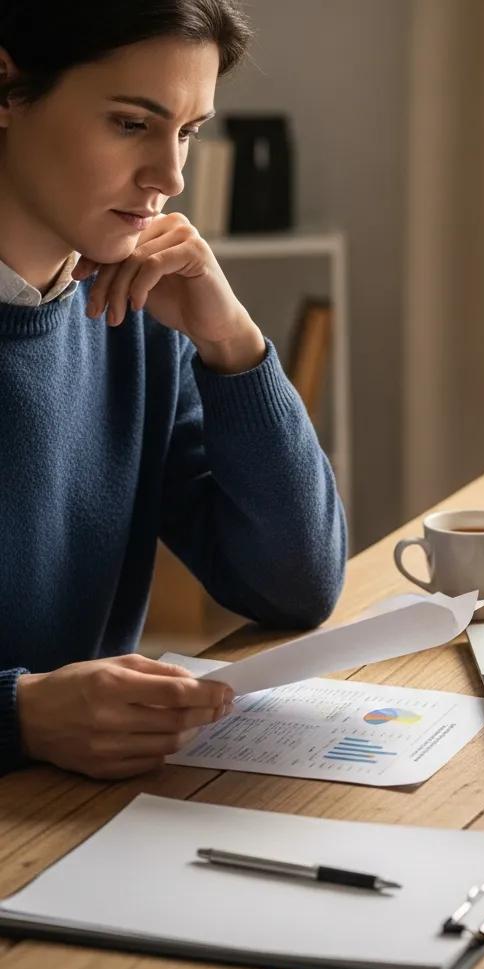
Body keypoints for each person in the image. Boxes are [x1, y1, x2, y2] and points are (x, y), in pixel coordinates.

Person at [0, 2, 346, 780]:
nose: (172, 176)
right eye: (131, 124)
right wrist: (18, 715)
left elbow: (293, 585)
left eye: (187, 131)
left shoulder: (133, 316)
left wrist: (233, 345)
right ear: (7, 87)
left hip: (81, 825)